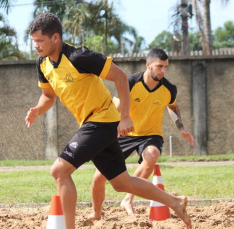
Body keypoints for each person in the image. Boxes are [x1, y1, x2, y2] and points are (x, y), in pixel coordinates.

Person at [25, 13, 192, 229]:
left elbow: (121, 76)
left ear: (55, 38)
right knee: (121, 182)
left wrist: (125, 117)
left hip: (102, 120)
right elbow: (48, 96)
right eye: (33, 41)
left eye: (40, 41)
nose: (36, 46)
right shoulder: (43, 64)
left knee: (59, 171)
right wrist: (38, 110)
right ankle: (175, 202)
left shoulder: (79, 56)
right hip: (91, 123)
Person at [88, 48, 195, 220]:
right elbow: (114, 108)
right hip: (124, 133)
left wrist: (182, 128)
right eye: (159, 66)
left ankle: (127, 200)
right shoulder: (130, 82)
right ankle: (96, 214)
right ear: (148, 65)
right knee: (99, 176)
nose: (163, 71)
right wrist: (105, 134)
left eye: (165, 67)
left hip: (150, 135)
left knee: (152, 155)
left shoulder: (169, 88)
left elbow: (173, 106)